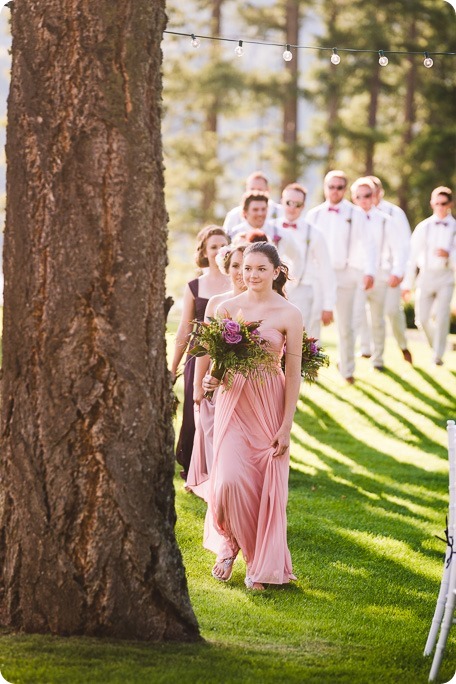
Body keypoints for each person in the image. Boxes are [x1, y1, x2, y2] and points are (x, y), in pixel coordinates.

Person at [201, 241, 303, 590]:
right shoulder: (227, 308)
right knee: (229, 481)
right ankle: (230, 542)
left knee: (264, 489)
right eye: (246, 268)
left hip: (270, 402)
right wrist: (210, 378)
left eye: (261, 269)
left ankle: (258, 566)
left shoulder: (290, 314)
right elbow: (219, 359)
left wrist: (286, 425)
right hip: (234, 398)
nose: (252, 274)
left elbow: (293, 373)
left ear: (276, 272)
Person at [186, 243, 248, 500]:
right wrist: (198, 385)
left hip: (250, 386)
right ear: (228, 268)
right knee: (216, 440)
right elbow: (205, 346)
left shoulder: (262, 304)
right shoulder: (216, 303)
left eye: (245, 267)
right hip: (218, 385)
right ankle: (220, 491)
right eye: (235, 266)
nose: (241, 273)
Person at [170, 226, 230, 479]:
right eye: (212, 247)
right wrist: (173, 367)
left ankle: (222, 464)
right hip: (198, 354)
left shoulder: (238, 282)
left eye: (222, 246)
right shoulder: (195, 286)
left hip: (228, 354)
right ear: (205, 252)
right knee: (196, 410)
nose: (218, 251)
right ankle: (193, 465)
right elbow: (184, 328)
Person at [306, 170, 376, 384]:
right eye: (331, 186)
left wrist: (369, 271)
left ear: (345, 190)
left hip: (345, 274)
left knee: (346, 326)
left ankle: (347, 369)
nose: (334, 191)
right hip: (318, 275)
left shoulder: (356, 214)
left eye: (339, 187)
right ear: (325, 188)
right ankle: (311, 367)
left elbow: (369, 244)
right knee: (312, 323)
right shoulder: (314, 214)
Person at [351, 177, 407, 371]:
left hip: (381, 275)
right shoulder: (350, 218)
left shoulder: (385, 220)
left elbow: (399, 248)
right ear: (354, 198)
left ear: (374, 196)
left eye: (367, 195)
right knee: (355, 316)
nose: (364, 199)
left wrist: (398, 271)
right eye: (359, 196)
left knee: (378, 319)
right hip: (357, 274)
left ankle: (378, 358)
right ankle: (354, 354)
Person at [273, 182, 335, 340]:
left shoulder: (314, 233)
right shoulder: (271, 228)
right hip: (273, 290)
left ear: (303, 206)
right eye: (288, 202)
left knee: (303, 336)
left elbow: (326, 269)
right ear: (282, 201)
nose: (292, 207)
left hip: (305, 291)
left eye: (297, 204)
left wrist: (328, 305)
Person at [402, 186, 456, 365]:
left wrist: (449, 256)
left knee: (442, 316)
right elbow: (412, 256)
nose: (440, 206)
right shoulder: (424, 227)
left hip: (446, 277)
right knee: (422, 319)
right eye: (437, 203)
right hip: (425, 276)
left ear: (450, 204)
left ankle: (438, 355)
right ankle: (437, 346)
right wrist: (407, 284)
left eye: (444, 203)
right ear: (432, 203)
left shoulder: (454, 227)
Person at [367, 176, 413, 364]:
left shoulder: (395, 213)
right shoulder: (359, 214)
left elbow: (405, 246)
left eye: (373, 192)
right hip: (369, 273)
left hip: (391, 272)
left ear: (380, 192)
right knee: (372, 315)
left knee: (393, 311)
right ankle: (374, 356)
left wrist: (401, 274)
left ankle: (402, 344)